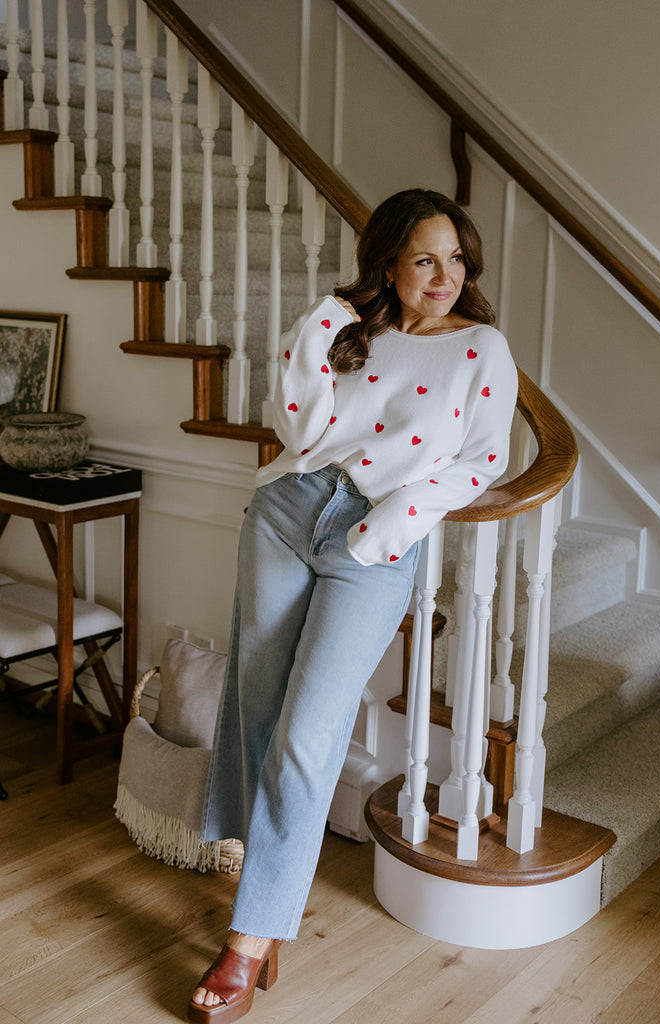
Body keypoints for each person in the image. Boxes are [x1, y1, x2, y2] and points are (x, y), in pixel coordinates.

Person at [189, 188, 518, 1022]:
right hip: (286, 510)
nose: (444, 275)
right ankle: (248, 853)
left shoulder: (482, 349)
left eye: (455, 259)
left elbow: (479, 461)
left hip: (372, 541)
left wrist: (385, 530)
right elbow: (296, 431)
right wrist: (315, 332)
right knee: (256, 699)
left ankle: (250, 938)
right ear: (388, 265)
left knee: (308, 732)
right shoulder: (356, 335)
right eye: (423, 259)